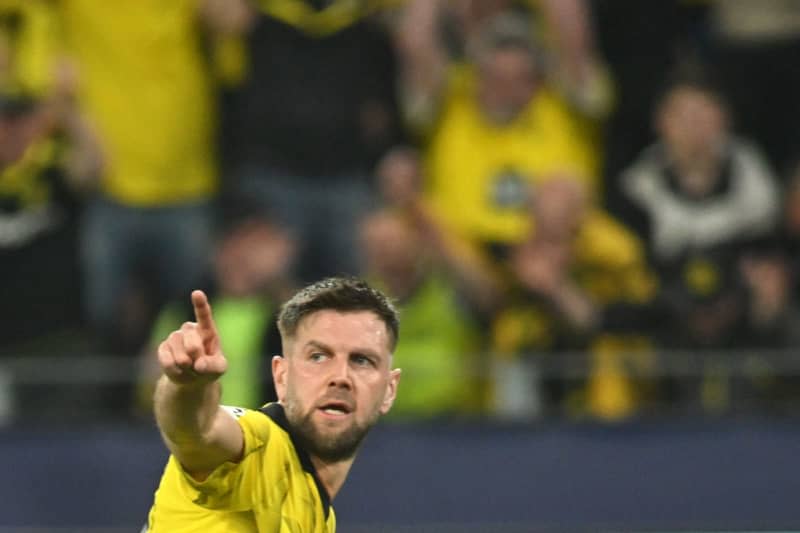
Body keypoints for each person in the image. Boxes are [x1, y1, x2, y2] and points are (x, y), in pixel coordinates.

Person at [146, 277, 402, 532]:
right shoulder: (262, 446)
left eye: (362, 360)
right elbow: (199, 432)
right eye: (318, 357)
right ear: (281, 376)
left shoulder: (318, 516)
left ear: (389, 390)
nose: (340, 377)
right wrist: (189, 386)